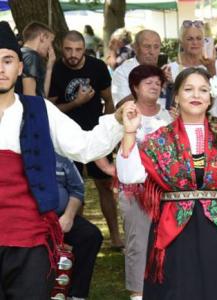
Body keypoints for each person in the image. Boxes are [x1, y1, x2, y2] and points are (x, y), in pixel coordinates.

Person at [116, 67, 217, 300]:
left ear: (210, 97)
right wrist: (129, 133)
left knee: (216, 289)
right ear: (177, 97)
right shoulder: (159, 140)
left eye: (203, 89)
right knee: (176, 290)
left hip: (216, 228)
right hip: (172, 231)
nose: (196, 95)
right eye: (188, 89)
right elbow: (129, 177)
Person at [0, 20, 131, 299]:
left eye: (8, 60)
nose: (1, 68)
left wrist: (117, 121)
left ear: (20, 67)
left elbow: (84, 146)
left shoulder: (39, 110)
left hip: (30, 240)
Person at [49, 30, 124, 249]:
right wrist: (77, 102)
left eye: (78, 50)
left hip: (96, 136)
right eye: (68, 49)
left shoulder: (97, 67)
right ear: (61, 48)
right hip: (67, 139)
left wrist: (108, 129)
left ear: (84, 49)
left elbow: (108, 99)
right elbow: (51, 108)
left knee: (105, 185)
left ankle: (115, 237)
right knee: (74, 187)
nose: (73, 54)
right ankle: (73, 238)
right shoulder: (57, 70)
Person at [118, 65, 172, 300]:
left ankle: (167, 286)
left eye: (157, 82)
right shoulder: (125, 113)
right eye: (147, 82)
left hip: (167, 190)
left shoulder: (170, 115)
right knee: (137, 243)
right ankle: (137, 293)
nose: (154, 85)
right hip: (135, 189)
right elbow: (103, 141)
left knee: (169, 240)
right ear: (135, 87)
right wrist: (109, 167)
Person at [55, 154, 103, 300]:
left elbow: (77, 189)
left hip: (61, 216)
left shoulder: (61, 156)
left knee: (90, 235)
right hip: (29, 219)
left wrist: (69, 216)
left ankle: (76, 294)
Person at [111, 30, 165, 107]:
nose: (152, 52)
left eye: (156, 47)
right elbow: (121, 105)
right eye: (147, 46)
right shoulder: (123, 72)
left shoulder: (165, 68)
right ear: (135, 48)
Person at [21, 21, 55, 97]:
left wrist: (49, 68)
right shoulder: (31, 56)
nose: (51, 47)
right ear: (42, 37)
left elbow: (42, 95)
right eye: (51, 41)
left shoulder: (22, 53)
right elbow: (31, 98)